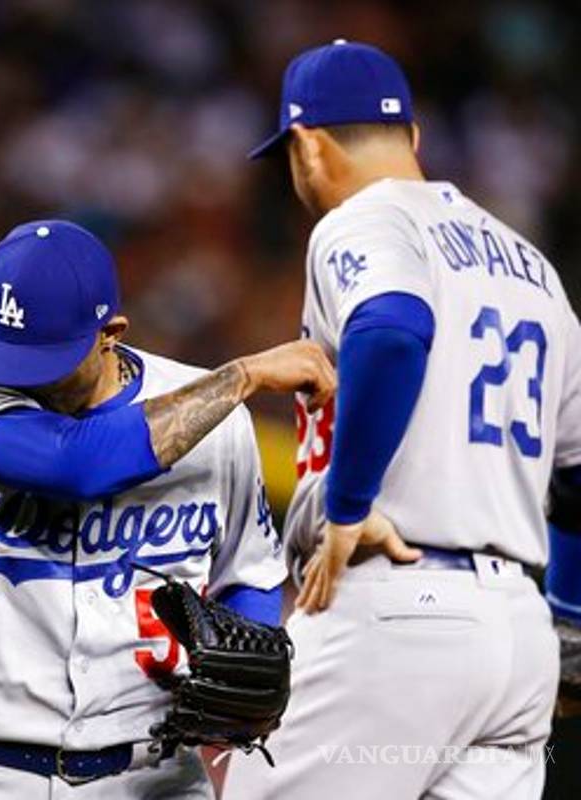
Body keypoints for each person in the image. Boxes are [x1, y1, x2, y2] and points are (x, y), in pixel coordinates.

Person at [223, 39, 580, 799]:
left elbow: (391, 328)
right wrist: (571, 622)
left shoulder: (359, 222)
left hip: (400, 612)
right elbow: (578, 476)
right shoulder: (533, 267)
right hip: (516, 637)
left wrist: (348, 503)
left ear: (307, 147)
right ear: (413, 139)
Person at [0, 218, 337, 798]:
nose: (20, 378)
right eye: (7, 354)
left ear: (110, 332)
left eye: (45, 359)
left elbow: (251, 573)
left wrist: (248, 669)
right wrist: (245, 375)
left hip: (158, 775)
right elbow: (77, 466)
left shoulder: (219, 424)